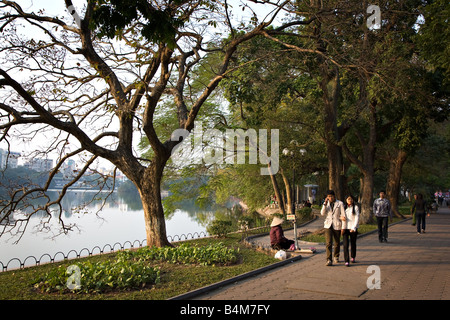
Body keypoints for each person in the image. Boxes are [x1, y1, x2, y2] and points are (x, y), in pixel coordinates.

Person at [320, 190, 345, 266]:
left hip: (337, 224)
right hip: (328, 225)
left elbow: (343, 215)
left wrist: (343, 227)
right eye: (328, 196)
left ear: (334, 196)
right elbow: (322, 213)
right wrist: (324, 204)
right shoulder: (326, 204)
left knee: (337, 242)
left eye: (331, 196)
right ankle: (329, 259)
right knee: (328, 243)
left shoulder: (340, 203)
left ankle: (336, 256)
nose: (330, 198)